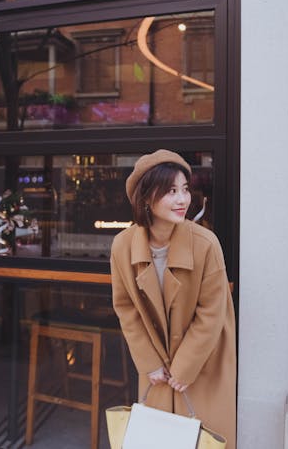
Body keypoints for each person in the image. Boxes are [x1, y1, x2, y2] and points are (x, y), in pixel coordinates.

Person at [110, 149, 236, 447]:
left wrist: (185, 366)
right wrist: (148, 360)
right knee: (157, 438)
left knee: (203, 437)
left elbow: (212, 311)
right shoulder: (123, 246)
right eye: (170, 191)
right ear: (145, 199)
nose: (182, 200)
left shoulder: (206, 244)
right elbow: (125, 306)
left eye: (184, 190)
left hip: (203, 361)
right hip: (157, 367)